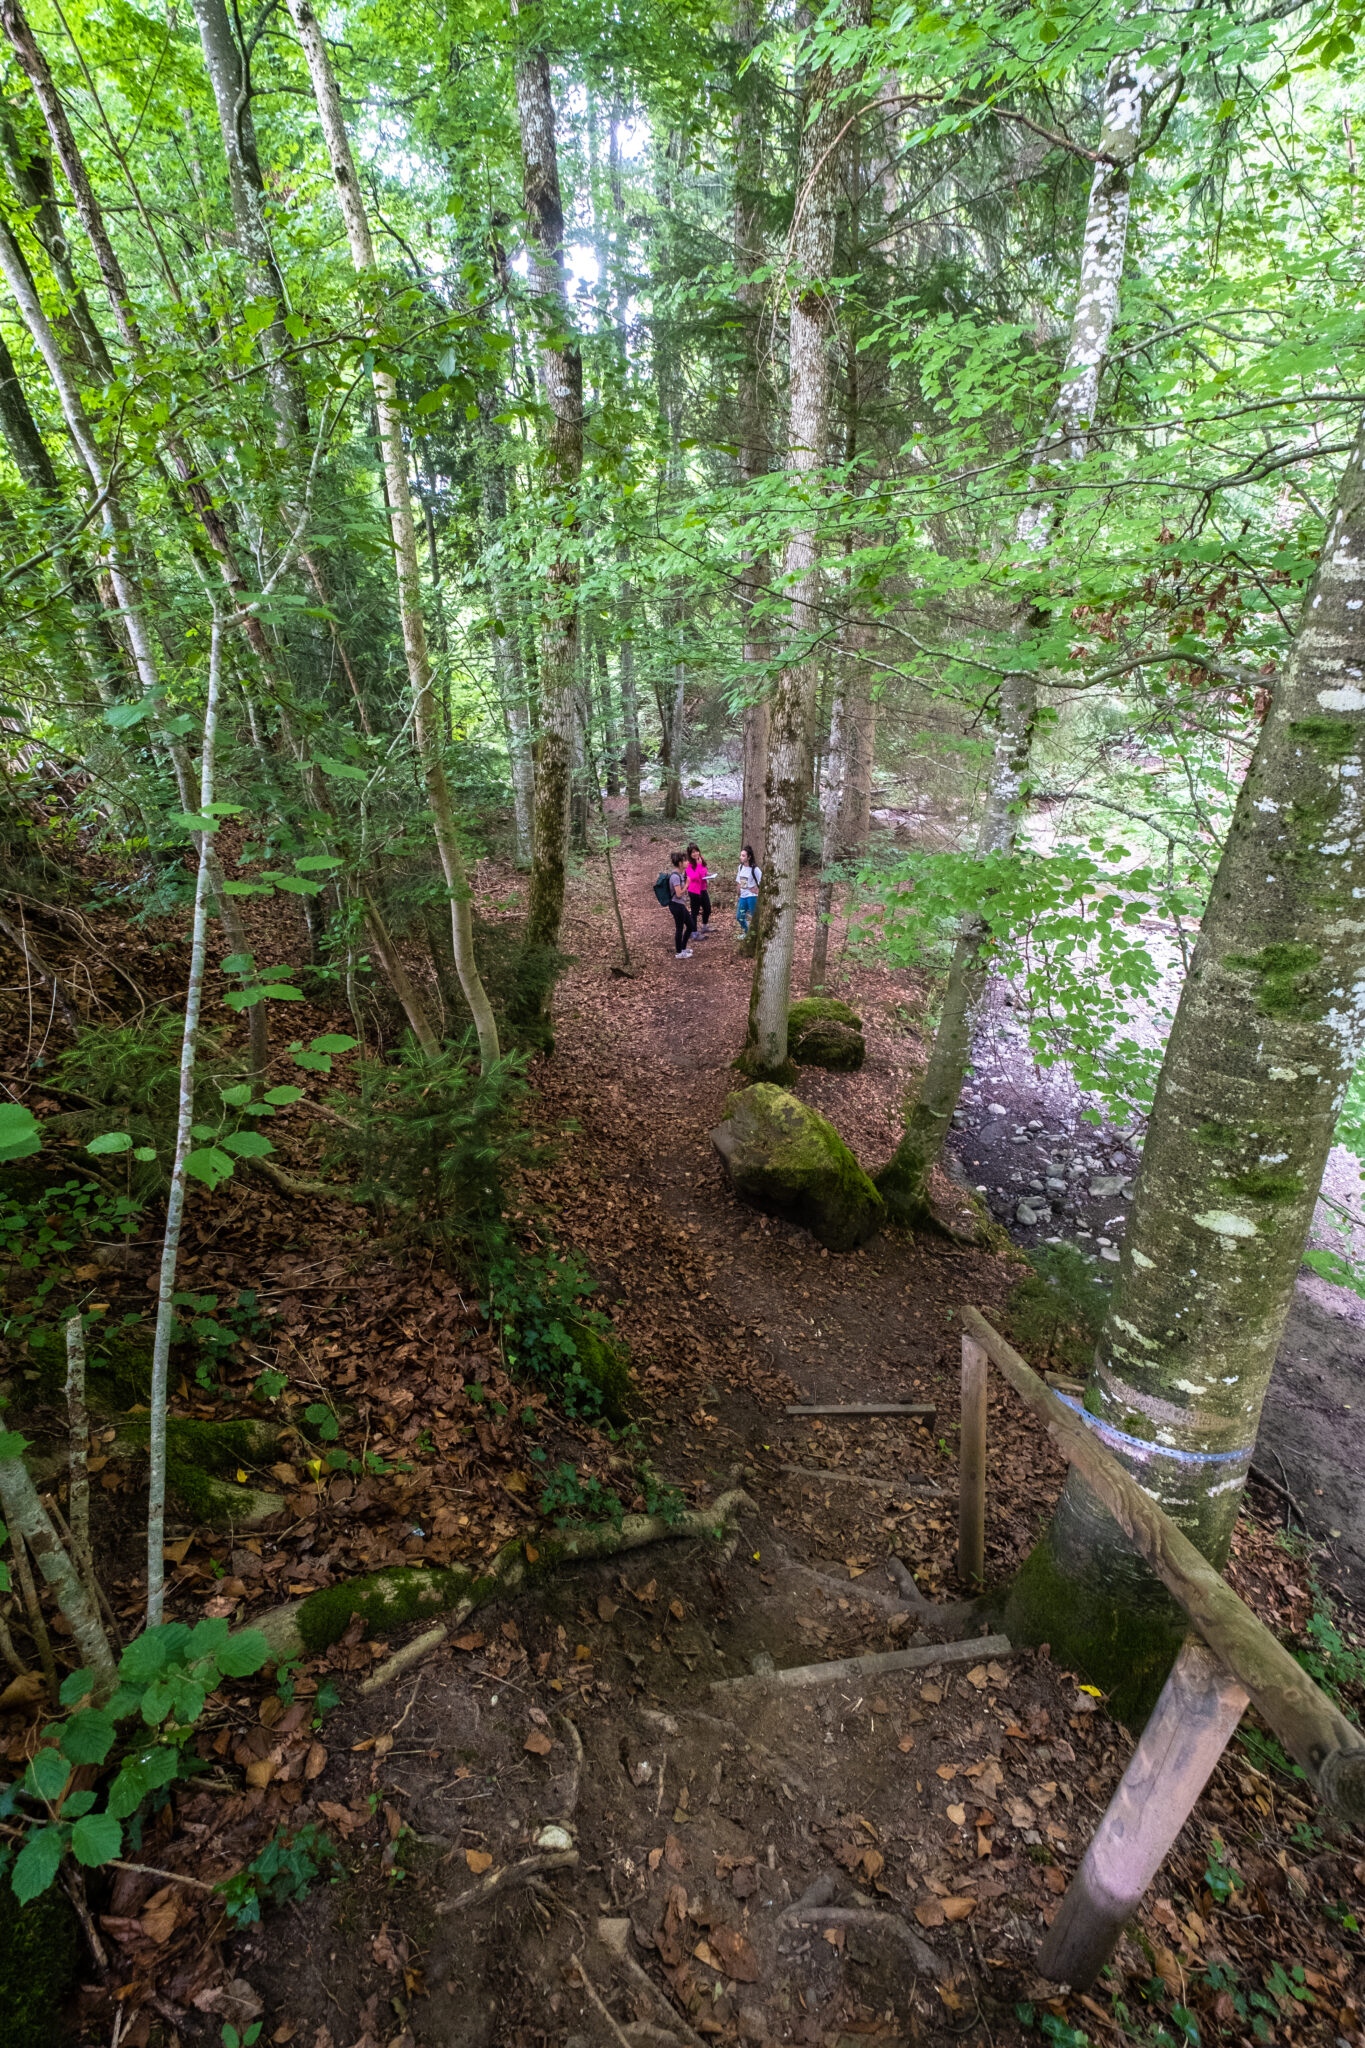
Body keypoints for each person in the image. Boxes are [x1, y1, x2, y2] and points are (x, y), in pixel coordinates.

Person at [666, 853, 696, 958]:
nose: (688, 862)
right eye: (685, 861)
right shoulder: (675, 877)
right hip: (676, 905)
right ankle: (679, 952)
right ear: (680, 863)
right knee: (679, 928)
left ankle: (683, 948)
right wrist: (687, 885)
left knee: (691, 926)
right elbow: (678, 894)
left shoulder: (680, 875)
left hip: (680, 905)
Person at [684, 843, 712, 937]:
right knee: (694, 912)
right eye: (693, 852)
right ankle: (694, 932)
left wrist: (708, 874)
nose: (695, 854)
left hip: (703, 888)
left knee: (707, 908)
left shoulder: (701, 859)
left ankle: (704, 926)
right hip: (694, 891)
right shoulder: (689, 865)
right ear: (690, 854)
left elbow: (703, 872)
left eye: (696, 851)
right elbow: (694, 877)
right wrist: (699, 865)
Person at [735, 845, 761, 934]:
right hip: (743, 896)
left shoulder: (755, 869)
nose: (741, 857)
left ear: (749, 857)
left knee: (755, 917)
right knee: (740, 917)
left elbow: (762, 883)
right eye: (741, 855)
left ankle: (755, 936)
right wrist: (738, 894)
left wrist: (757, 890)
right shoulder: (740, 867)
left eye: (743, 855)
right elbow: (739, 881)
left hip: (752, 897)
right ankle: (747, 932)